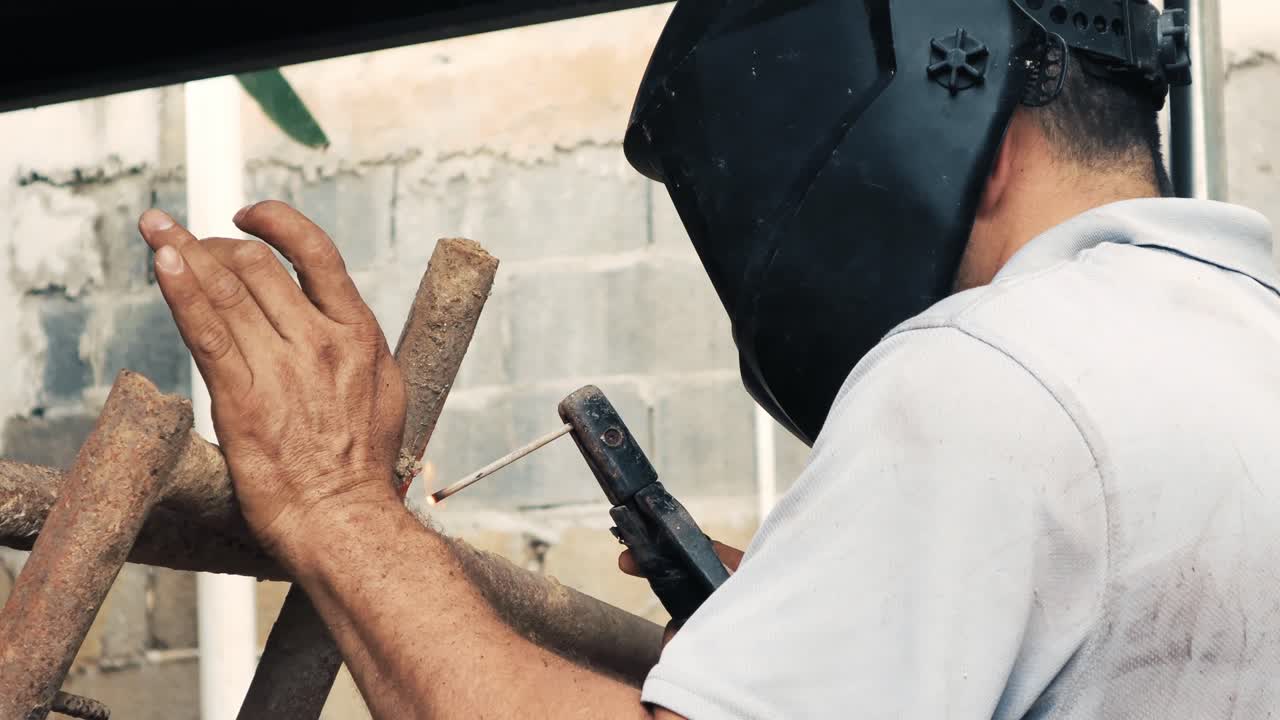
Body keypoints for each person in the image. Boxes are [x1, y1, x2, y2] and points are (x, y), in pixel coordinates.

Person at [138, 1, 1280, 718]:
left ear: (945, 86)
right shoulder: (1237, 341)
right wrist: (817, 626)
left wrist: (337, 506)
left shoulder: (986, 377)